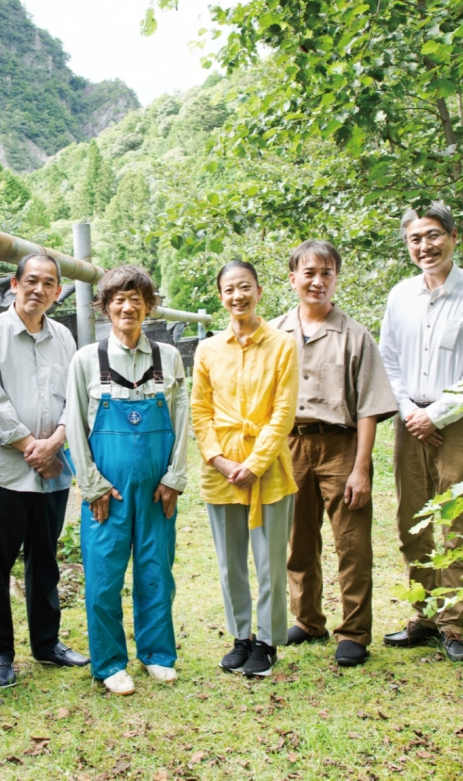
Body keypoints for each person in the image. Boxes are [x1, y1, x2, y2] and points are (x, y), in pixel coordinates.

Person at [378, 203, 463, 662]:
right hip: (410, 420)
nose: (424, 246)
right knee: (413, 521)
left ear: (454, 235)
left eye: (433, 236)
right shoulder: (400, 296)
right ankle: (423, 616)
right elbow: (387, 359)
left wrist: (439, 415)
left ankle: (452, 624)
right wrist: (411, 411)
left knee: (456, 523)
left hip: (460, 423)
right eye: (415, 239)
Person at [271, 240, 398, 668]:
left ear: (336, 279)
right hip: (289, 446)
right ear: (292, 279)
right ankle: (307, 620)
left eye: (326, 273)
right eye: (308, 273)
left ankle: (355, 631)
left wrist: (361, 469)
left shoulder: (355, 335)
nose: (317, 281)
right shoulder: (273, 335)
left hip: (340, 446)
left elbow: (369, 407)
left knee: (352, 543)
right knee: (297, 540)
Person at [64, 265, 189, 695]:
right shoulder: (85, 360)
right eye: (118, 298)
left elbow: (183, 421)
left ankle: (156, 653)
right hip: (107, 492)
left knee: (156, 569)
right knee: (103, 578)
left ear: (149, 306)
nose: (127, 306)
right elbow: (74, 428)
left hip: (158, 488)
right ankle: (110, 662)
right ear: (104, 306)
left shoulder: (168, 358)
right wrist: (92, 484)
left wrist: (174, 477)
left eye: (136, 298)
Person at [0, 253, 89, 687]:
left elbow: (72, 400)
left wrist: (55, 442)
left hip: (53, 467)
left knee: (45, 558)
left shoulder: (64, 339)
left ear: (58, 293)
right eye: (31, 281)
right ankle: (0, 654)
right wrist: (29, 446)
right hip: (3, 470)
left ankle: (47, 644)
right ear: (15, 284)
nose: (39, 289)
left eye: (49, 283)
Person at [191, 260, 300, 678]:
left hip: (268, 468)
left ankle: (268, 641)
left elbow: (283, 412)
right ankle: (241, 637)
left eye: (245, 287)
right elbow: (200, 410)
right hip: (221, 468)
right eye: (229, 290)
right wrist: (218, 459)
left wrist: (255, 464)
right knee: (230, 560)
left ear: (258, 291)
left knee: (269, 559)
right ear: (221, 297)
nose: (238, 296)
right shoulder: (208, 349)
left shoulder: (283, 344)